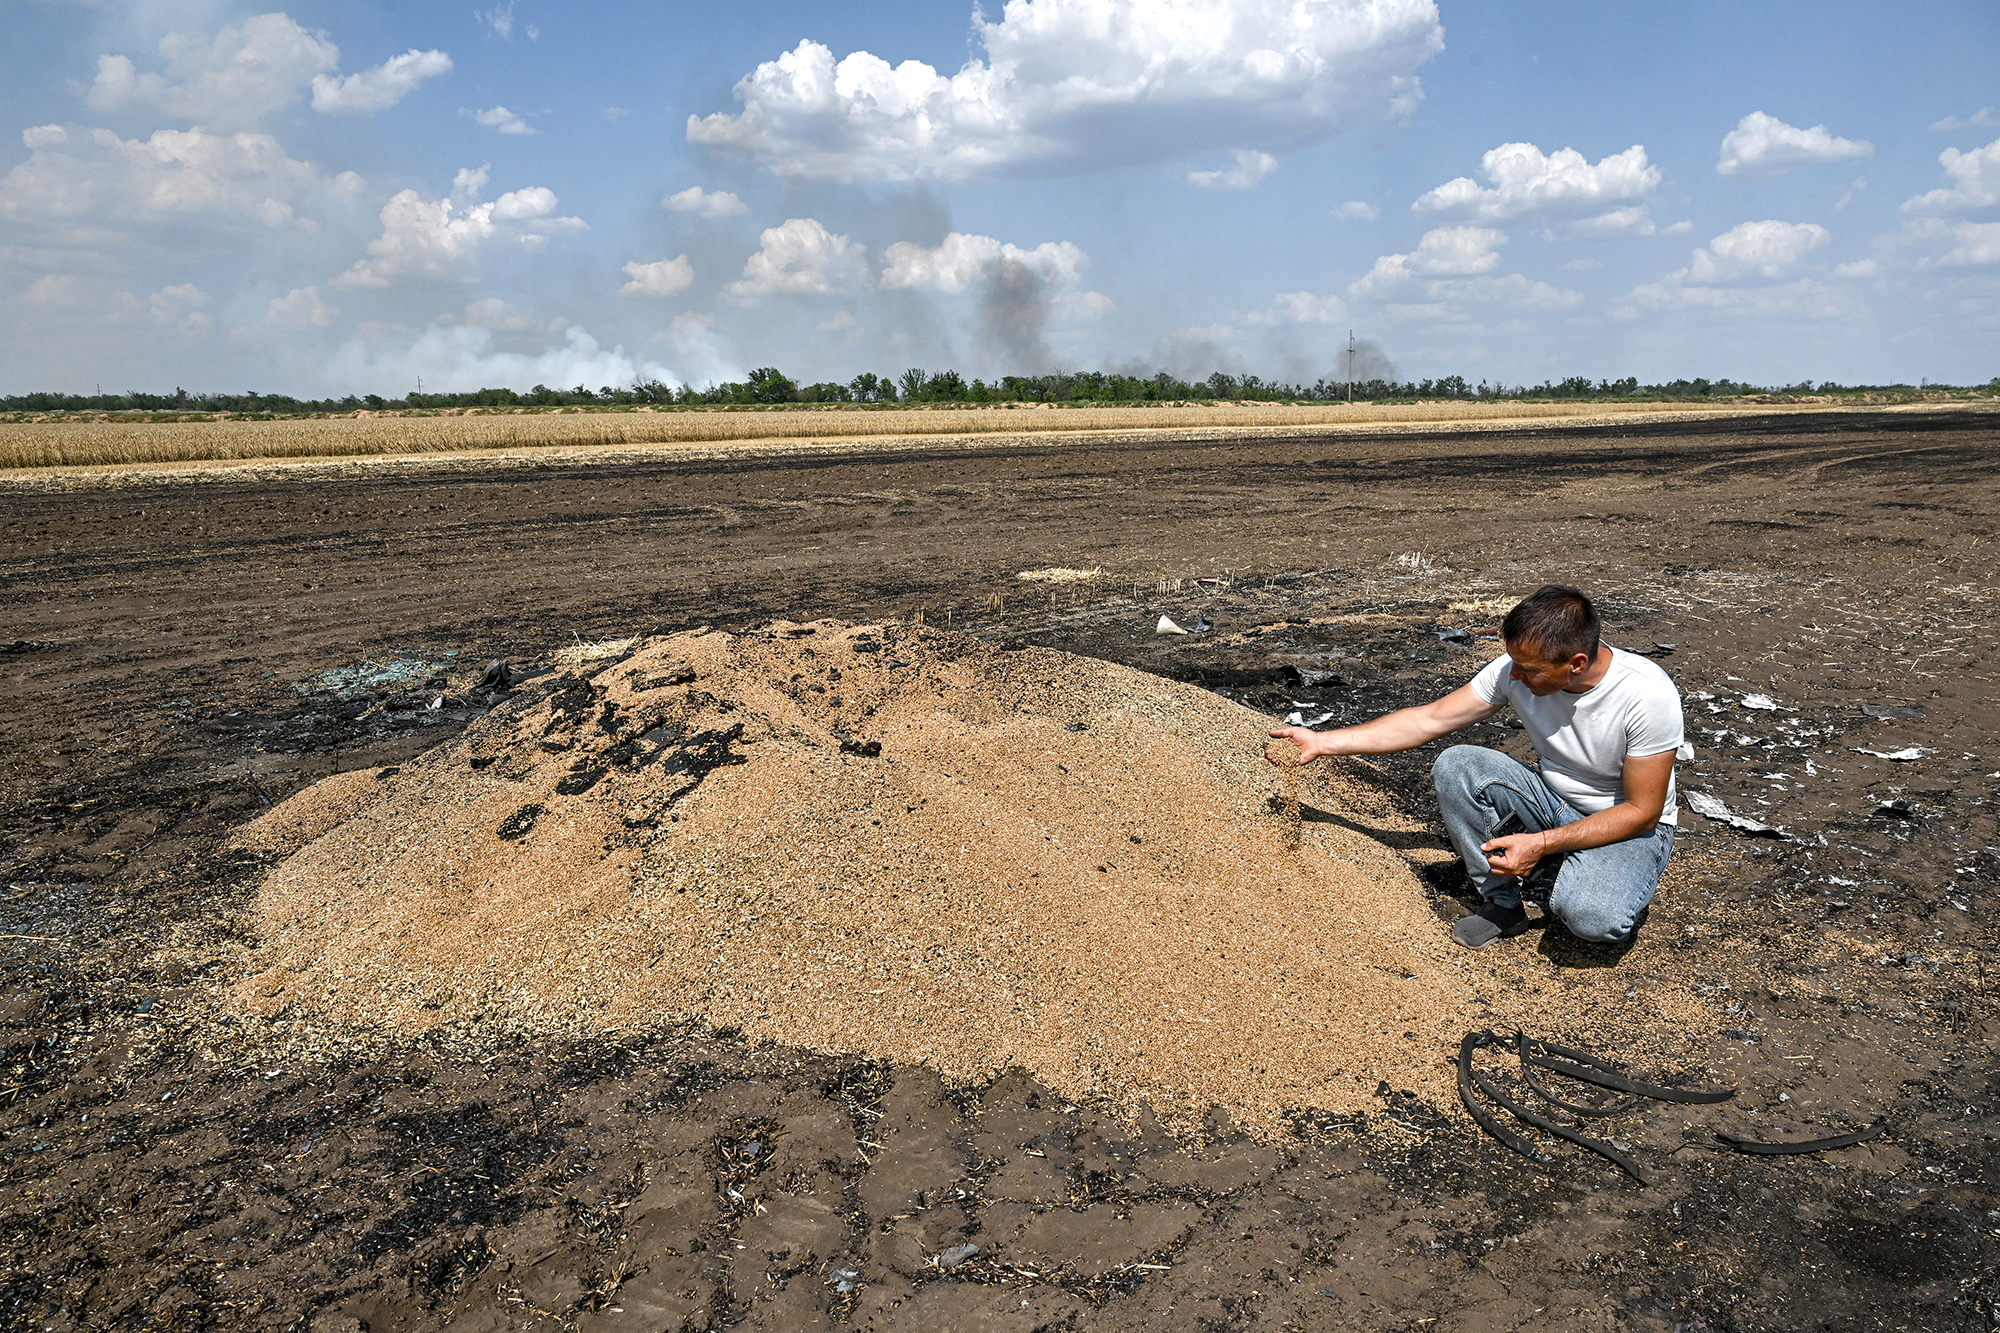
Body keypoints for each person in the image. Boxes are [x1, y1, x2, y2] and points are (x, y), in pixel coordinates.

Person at [1267, 585, 1683, 951]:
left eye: (1530, 670)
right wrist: (1323, 742)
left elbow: (1641, 811)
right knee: (1459, 763)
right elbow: (1428, 720)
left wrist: (1540, 845)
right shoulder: (1515, 669)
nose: (1514, 676)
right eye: (1512, 662)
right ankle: (1503, 903)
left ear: (1575, 663)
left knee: (1593, 921)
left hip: (1631, 827)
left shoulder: (1646, 696)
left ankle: (1562, 872)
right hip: (1553, 801)